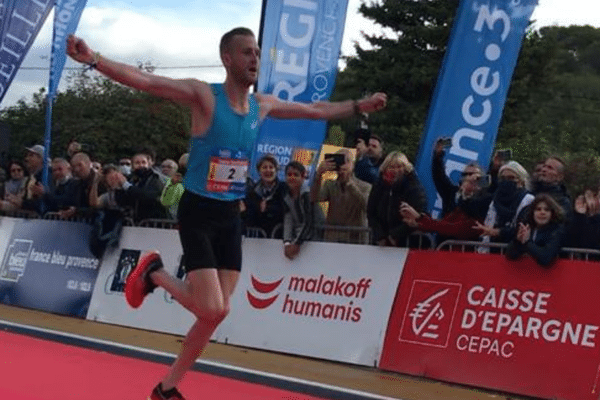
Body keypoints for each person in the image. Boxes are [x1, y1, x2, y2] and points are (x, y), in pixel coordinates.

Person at [66, 27, 386, 400]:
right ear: (228, 59)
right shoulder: (204, 96)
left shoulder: (260, 106)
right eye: (247, 52)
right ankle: (155, 274)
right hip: (198, 210)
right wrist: (94, 59)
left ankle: (166, 388)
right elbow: (147, 81)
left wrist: (357, 106)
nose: (255, 59)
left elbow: (314, 110)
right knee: (213, 306)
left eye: (258, 53)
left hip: (230, 216)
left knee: (215, 314)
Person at [367, 151, 427, 247]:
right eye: (392, 167)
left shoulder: (415, 187)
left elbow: (418, 214)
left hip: (407, 243)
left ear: (406, 168)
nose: (396, 170)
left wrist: (394, 235)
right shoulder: (379, 185)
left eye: (400, 167)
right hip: (381, 243)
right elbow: (371, 212)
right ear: (385, 168)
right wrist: (380, 236)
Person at [311, 148, 371, 244]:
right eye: (340, 161)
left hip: (355, 238)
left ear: (353, 164)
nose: (343, 164)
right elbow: (314, 198)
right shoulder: (330, 184)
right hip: (333, 238)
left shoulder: (365, 186)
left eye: (347, 161)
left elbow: (367, 206)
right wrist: (319, 175)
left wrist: (350, 185)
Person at [474, 161, 534, 247]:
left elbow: (524, 228)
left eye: (511, 178)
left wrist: (498, 232)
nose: (506, 181)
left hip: (514, 250)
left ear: (521, 181)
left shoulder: (528, 200)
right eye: (503, 178)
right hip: (490, 250)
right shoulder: (495, 199)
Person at [506, 193, 565, 267]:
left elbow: (546, 258)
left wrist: (527, 242)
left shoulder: (557, 230)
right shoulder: (526, 226)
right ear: (532, 212)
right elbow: (510, 255)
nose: (542, 212)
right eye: (538, 209)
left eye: (546, 210)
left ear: (552, 213)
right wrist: (517, 241)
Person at [283, 161, 324, 259]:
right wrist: (287, 242)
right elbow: (288, 220)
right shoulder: (286, 196)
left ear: (302, 178)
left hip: (315, 239)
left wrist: (297, 243)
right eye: (289, 175)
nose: (292, 178)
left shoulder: (307, 195)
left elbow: (308, 222)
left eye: (296, 175)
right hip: (299, 239)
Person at [243, 154, 287, 238]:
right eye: (264, 167)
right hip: (256, 240)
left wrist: (269, 208)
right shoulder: (252, 191)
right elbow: (250, 217)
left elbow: (286, 212)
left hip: (278, 238)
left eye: (271, 167)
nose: (268, 170)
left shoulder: (284, 189)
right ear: (259, 171)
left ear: (276, 170)